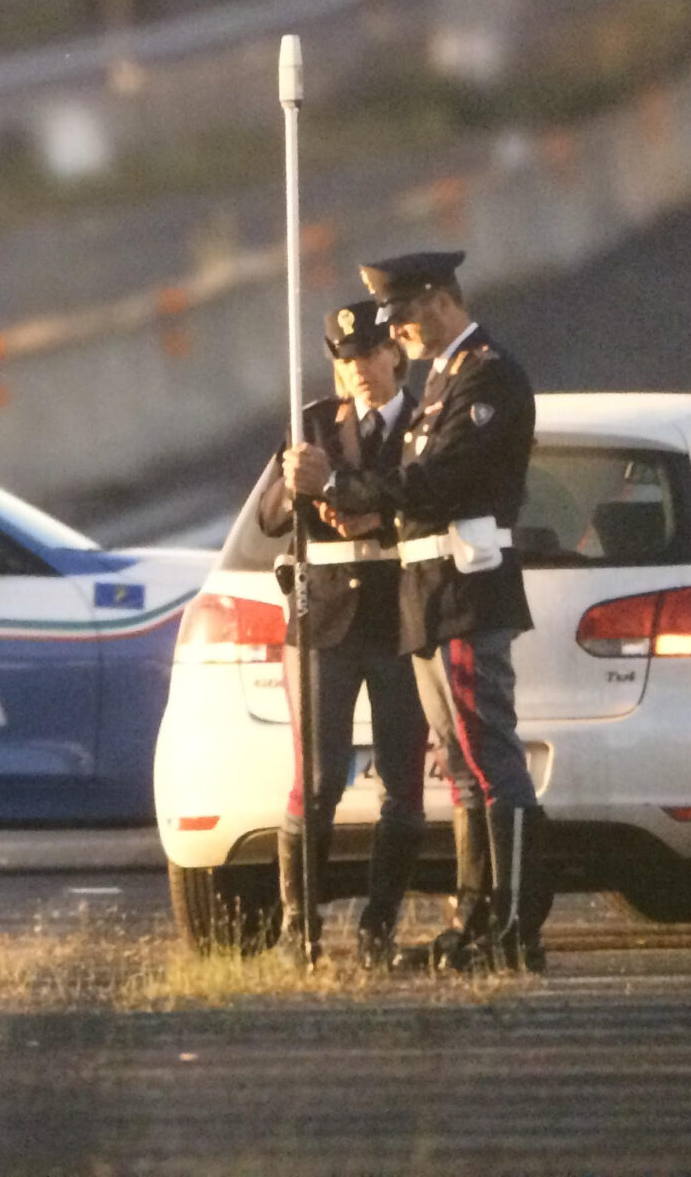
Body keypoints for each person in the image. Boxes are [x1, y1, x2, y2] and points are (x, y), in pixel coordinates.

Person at [285, 250, 548, 971]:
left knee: (491, 762)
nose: (396, 339)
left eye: (399, 323)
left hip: (465, 588)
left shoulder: (487, 373)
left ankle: (515, 928)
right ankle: (474, 920)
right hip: (430, 592)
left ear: (437, 302)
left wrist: (344, 485)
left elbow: (439, 478)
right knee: (463, 768)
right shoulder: (445, 379)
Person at [256, 300, 427, 967]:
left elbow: (427, 495)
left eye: (370, 355)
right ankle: (299, 928)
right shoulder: (314, 425)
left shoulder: (422, 424)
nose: (358, 370)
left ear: (395, 354)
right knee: (319, 780)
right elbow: (270, 518)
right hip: (323, 622)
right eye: (346, 360)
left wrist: (362, 502)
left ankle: (377, 926)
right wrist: (296, 484)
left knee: (404, 785)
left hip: (399, 620)